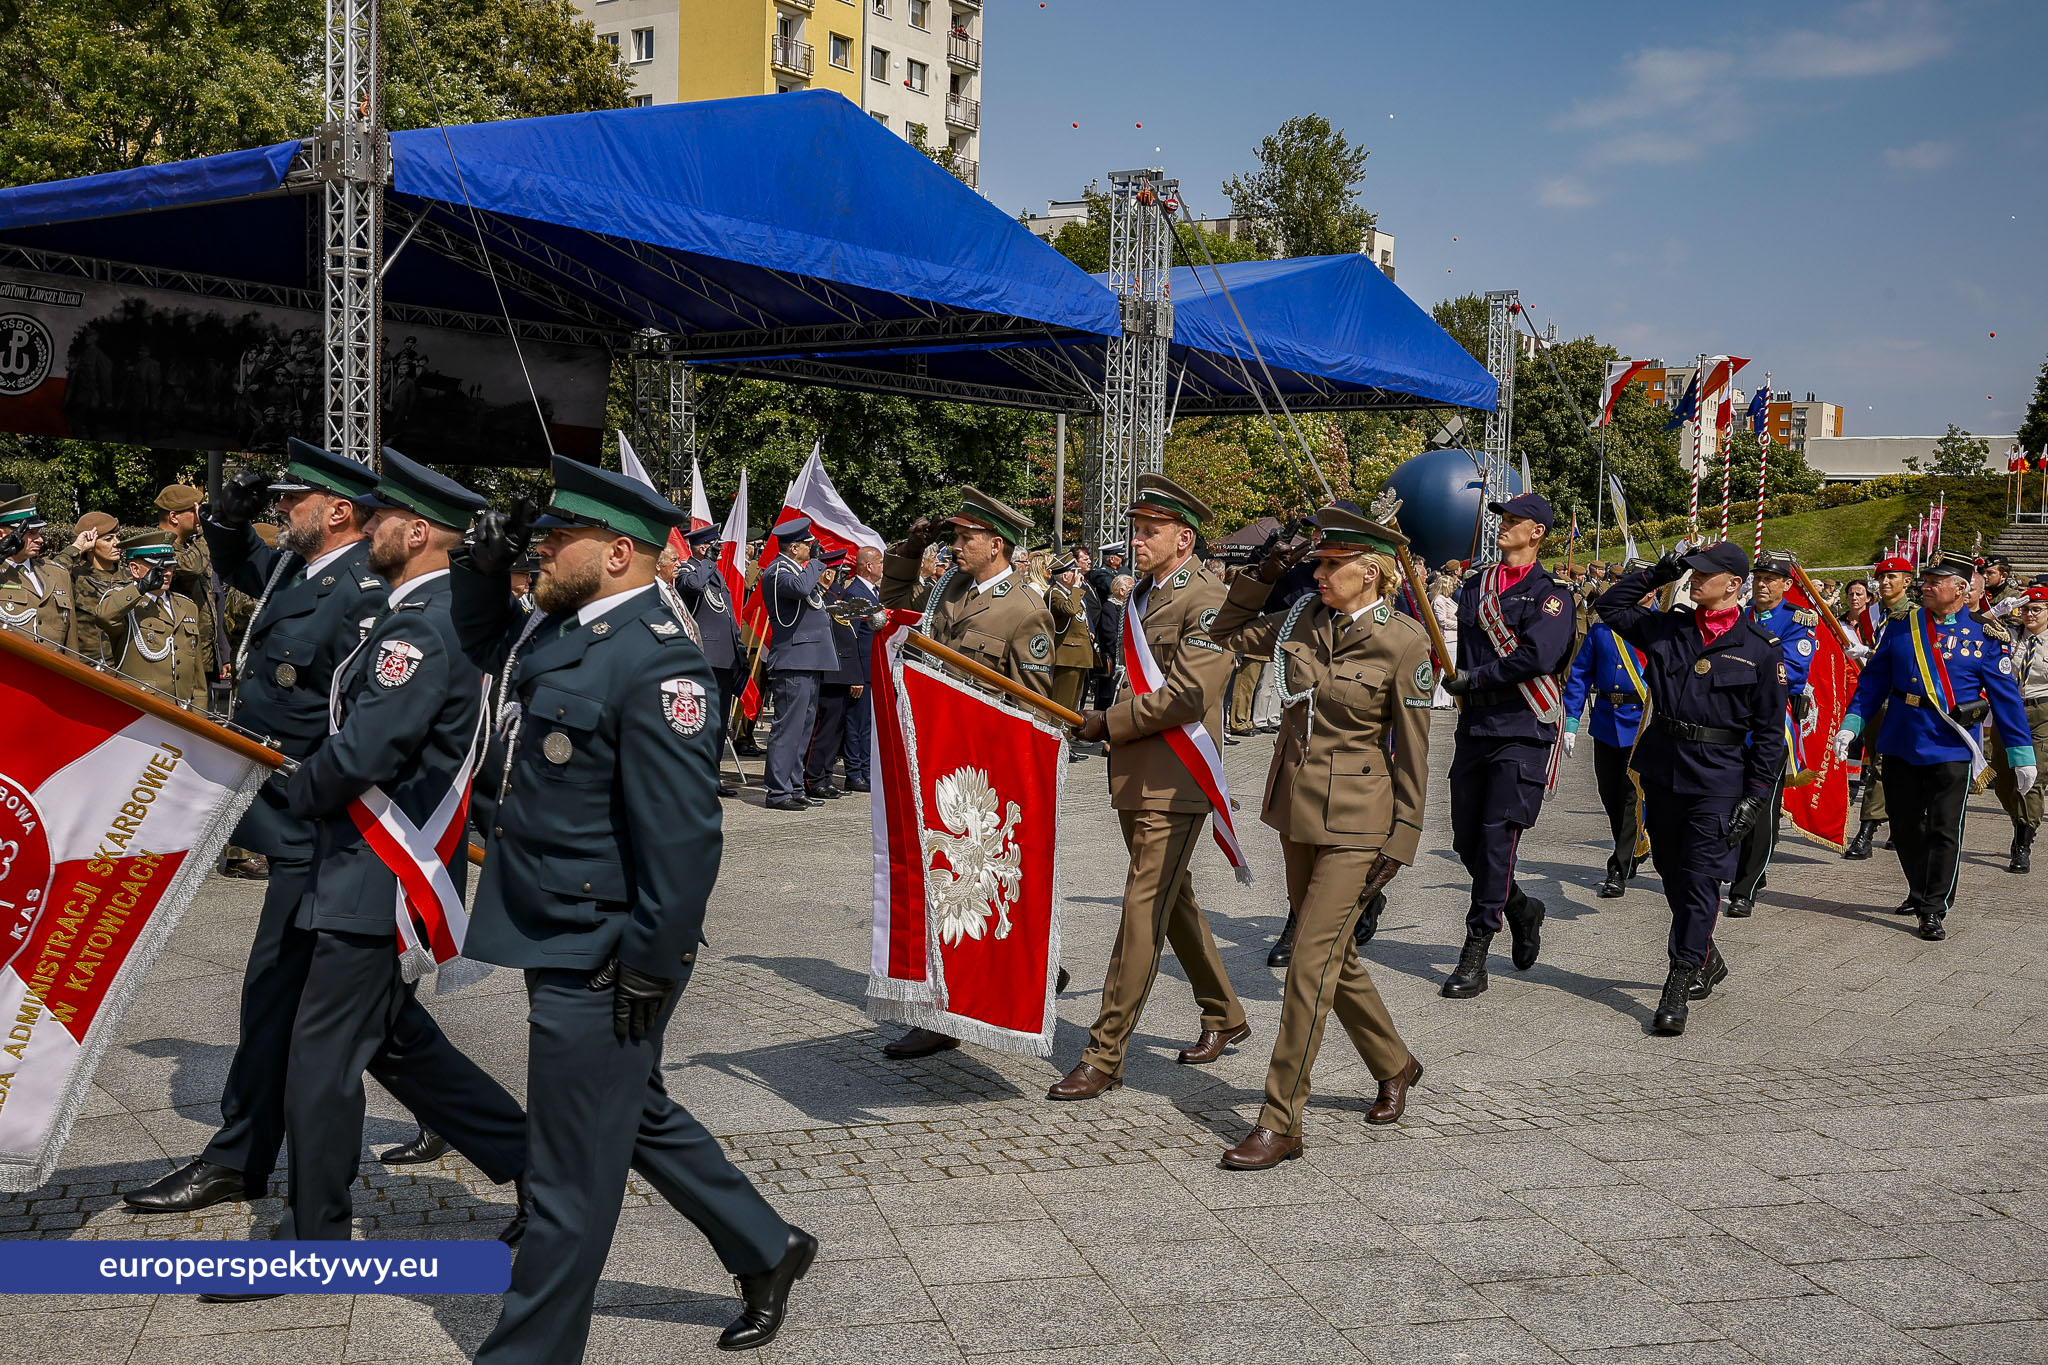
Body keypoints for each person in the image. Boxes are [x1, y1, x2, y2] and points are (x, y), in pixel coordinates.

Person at [450, 455, 811, 1361]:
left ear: (617, 552)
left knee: (569, 1175)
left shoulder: (659, 662)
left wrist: (652, 956)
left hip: (605, 950)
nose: (541, 550)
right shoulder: (574, 626)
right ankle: (767, 1246)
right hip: (555, 928)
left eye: (556, 540)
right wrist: (478, 573)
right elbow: (489, 653)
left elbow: (685, 837)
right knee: (628, 1109)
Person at [122, 441, 425, 1216]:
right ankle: (243, 1155)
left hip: (318, 819)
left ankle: (243, 1159)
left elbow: (366, 722)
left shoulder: (365, 589)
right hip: (280, 806)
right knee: (340, 1015)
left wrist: (317, 800)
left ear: (338, 512)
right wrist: (225, 515)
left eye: (293, 499)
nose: (278, 510)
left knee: (298, 1002)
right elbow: (240, 561)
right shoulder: (299, 568)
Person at [257, 448, 529, 1268]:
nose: (365, 525)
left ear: (417, 531)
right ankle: (535, 1162)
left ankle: (314, 1248)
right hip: (366, 865)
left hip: (376, 870)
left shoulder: (424, 623)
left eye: (379, 518)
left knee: (319, 1060)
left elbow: (367, 748)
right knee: (395, 1043)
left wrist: (280, 786)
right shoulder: (424, 610)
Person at [1207, 506, 1430, 1168]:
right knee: (1332, 953)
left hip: (1360, 821)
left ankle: (1281, 1121)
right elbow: (1221, 636)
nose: (1320, 573)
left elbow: (1415, 757)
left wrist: (1402, 839)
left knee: (1309, 964)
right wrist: (1261, 576)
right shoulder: (1302, 618)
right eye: (1319, 563)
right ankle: (1394, 1060)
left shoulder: (1405, 643)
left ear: (1372, 571)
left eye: (1333, 565)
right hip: (1297, 813)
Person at [1049, 474, 1251, 1099]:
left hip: (1176, 774)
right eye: (1136, 529)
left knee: (1142, 907)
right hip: (1137, 770)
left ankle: (1105, 1052)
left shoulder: (1207, 600)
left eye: (1149, 531)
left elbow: (1189, 694)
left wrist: (1105, 724)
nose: (1135, 540)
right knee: (1172, 897)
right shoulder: (1143, 593)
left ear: (1184, 538)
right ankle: (1225, 1012)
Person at [876, 486, 1058, 1059]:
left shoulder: (1025, 609)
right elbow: (893, 599)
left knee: (974, 893)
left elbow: (1034, 706)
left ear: (996, 544)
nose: (955, 547)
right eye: (954, 536)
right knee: (942, 888)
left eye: (965, 538)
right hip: (935, 755)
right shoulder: (951, 589)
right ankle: (989, 985)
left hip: (983, 776)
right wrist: (909, 548)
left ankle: (953, 1011)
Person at [1599, 542, 1787, 1034]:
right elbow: (1610, 607)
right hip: (1664, 767)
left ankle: (1680, 977)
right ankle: (1706, 953)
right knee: (1670, 869)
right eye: (1693, 571)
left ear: (1733, 584)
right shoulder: (1670, 626)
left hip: (1720, 777)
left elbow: (1770, 734)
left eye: (1705, 573)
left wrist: (1757, 794)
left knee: (1702, 878)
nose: (1694, 578)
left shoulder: (1760, 649)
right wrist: (1661, 572)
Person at [1834, 553, 2036, 940]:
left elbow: (2005, 698)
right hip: (1901, 738)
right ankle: (1918, 888)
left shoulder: (1985, 634)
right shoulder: (1900, 626)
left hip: (1952, 745)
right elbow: (1873, 682)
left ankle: (1933, 907)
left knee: (1945, 829)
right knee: (1906, 825)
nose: (1924, 586)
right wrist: (1852, 725)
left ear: (1960, 589)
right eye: (1924, 580)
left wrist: (2021, 754)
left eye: (1934, 581)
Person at [1438, 493, 1575, 998]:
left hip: (1523, 729)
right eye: (1504, 519)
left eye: (1515, 520)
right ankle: (1520, 907)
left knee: (1498, 839)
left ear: (1537, 531)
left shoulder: (1551, 596)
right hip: (1475, 729)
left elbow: (1539, 656)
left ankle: (1475, 949)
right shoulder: (1477, 587)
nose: (1505, 526)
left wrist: (1475, 680)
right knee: (1466, 842)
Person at [1725, 551, 1816, 918]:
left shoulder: (1796, 621)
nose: (1761, 584)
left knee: (1761, 808)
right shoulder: (1738, 615)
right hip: (1731, 724)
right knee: (1731, 799)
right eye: (1758, 577)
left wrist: (1737, 673)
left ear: (1786, 585)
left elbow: (1793, 672)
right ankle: (1738, 868)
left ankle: (1745, 886)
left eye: (1770, 579)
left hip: (1770, 724)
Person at [1560, 559, 1652, 899]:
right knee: (1610, 795)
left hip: (1641, 721)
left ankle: (1618, 868)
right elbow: (1581, 674)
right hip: (1605, 722)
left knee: (1630, 797)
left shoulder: (1657, 626)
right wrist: (1571, 720)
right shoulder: (1602, 629)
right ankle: (1633, 844)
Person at [762, 517, 838, 812]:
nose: (812, 548)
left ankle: (793, 786)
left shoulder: (795, 570)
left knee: (803, 729)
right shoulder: (779, 571)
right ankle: (778, 792)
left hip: (808, 659)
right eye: (807, 544)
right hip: (793, 659)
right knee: (788, 729)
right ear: (794, 548)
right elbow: (802, 589)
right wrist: (817, 564)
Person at [82, 529, 208, 707]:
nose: (167, 573)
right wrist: (140, 588)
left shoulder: (187, 606)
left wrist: (199, 717)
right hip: (142, 710)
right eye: (158, 567)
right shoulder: (126, 603)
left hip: (182, 712)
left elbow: (198, 677)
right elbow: (103, 617)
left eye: (170, 566)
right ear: (134, 569)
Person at [1845, 556, 1916, 858]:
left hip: (1902, 700)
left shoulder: (1916, 616)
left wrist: (1872, 653)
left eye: (1893, 577)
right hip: (1876, 697)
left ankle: (1867, 831)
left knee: (1882, 765)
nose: (1886, 583)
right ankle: (1901, 823)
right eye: (1882, 578)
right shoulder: (1876, 615)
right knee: (1882, 762)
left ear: (1907, 581)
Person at [675, 524, 742, 796]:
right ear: (702, 547)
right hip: (706, 658)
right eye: (713, 546)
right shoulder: (688, 570)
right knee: (703, 723)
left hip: (725, 659)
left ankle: (712, 778)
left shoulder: (715, 576)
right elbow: (691, 586)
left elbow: (727, 615)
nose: (718, 551)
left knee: (718, 724)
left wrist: (739, 650)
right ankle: (697, 779)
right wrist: (708, 561)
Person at [1989, 587, 2048, 872]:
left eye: (2036, 609)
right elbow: (1974, 623)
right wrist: (1998, 610)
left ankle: (2022, 841)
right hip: (2009, 712)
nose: (2029, 614)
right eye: (2025, 609)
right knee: (2002, 778)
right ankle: (2021, 820)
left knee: (2032, 777)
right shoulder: (2008, 636)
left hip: (2043, 713)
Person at [155, 481, 225, 690]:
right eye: (194, 511)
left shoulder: (189, 547)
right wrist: (206, 531)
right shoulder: (158, 548)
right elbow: (189, 567)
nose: (199, 516)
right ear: (174, 516)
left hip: (200, 652)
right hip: (176, 654)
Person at [805, 548, 860, 800]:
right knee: (823, 729)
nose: (839, 576)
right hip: (829, 671)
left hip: (842, 671)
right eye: (838, 571)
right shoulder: (819, 598)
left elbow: (850, 639)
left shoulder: (837, 596)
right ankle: (813, 777)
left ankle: (825, 775)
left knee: (835, 729)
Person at [0, 493, 77, 651]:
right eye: (30, 533)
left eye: (39, 532)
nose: (40, 539)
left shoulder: (58, 574)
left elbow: (70, 645)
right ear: (2, 534)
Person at [840, 546, 882, 792]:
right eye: (880, 562)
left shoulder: (872, 593)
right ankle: (854, 772)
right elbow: (850, 638)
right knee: (856, 724)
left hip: (871, 669)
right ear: (868, 566)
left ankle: (865, 770)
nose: (882, 567)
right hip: (860, 671)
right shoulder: (855, 593)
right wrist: (854, 674)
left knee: (867, 724)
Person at [1044, 551, 1096, 715]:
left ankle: (1064, 738)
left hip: (1078, 655)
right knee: (1062, 704)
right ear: (1066, 576)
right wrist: (1075, 589)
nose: (1078, 576)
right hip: (1066, 656)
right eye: (1075, 572)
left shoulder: (1069, 593)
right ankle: (1055, 739)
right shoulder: (1055, 593)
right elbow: (1069, 610)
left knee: (1072, 707)